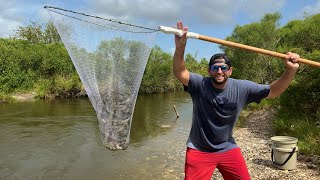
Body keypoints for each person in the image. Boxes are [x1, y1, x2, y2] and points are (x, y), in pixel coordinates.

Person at [173, 21, 300, 180]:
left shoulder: (242, 88)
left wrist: (290, 71)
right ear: (209, 70)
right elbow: (180, 71)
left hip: (227, 148)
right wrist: (180, 48)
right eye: (215, 68)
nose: (219, 71)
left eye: (223, 67)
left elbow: (273, 91)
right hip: (199, 150)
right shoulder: (200, 84)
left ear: (230, 70)